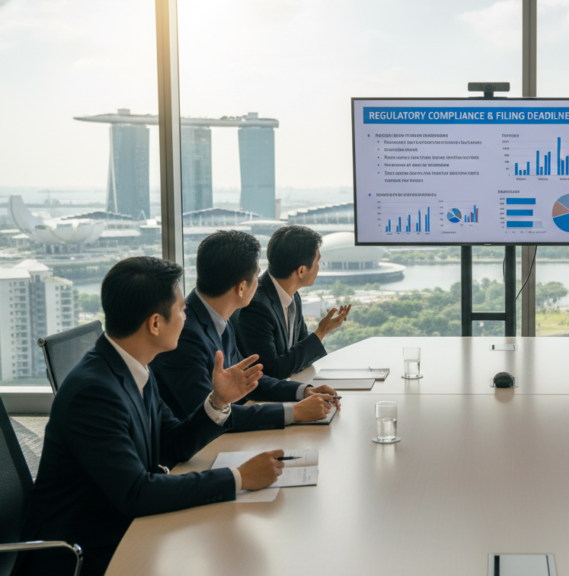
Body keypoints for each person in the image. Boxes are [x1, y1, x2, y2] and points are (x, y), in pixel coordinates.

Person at [20, 257, 284, 576]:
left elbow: (172, 444)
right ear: (155, 323)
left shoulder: (134, 367)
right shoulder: (94, 392)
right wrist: (239, 478)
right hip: (83, 554)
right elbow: (138, 494)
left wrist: (218, 402)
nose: (186, 318)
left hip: (123, 527)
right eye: (182, 310)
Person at [152, 230, 336, 431]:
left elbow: (249, 376)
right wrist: (295, 411)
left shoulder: (218, 317)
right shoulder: (184, 335)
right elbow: (212, 415)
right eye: (257, 276)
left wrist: (303, 392)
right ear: (241, 288)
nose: (260, 283)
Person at [232, 225, 351, 379]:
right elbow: (272, 371)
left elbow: (300, 354)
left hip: (288, 388)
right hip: (257, 400)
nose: (318, 267)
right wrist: (321, 331)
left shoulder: (293, 297)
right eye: (317, 261)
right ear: (301, 271)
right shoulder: (256, 306)